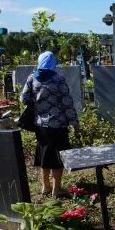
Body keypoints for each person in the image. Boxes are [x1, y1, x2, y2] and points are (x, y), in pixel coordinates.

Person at [20, 51, 79, 198]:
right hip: (58, 125)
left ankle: (45, 186)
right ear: (53, 63)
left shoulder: (32, 78)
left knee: (44, 154)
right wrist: (75, 123)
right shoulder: (58, 80)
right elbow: (67, 103)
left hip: (40, 125)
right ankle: (56, 188)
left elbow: (24, 98)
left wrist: (38, 104)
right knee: (58, 157)